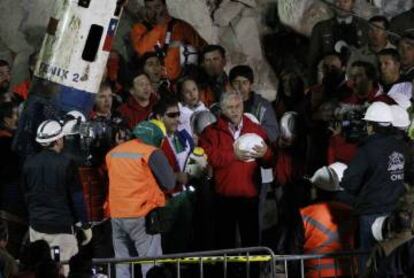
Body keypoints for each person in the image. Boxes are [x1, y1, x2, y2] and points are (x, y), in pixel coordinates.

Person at [199, 91, 272, 250]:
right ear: (222, 110)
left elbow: (271, 160)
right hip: (223, 197)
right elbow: (206, 156)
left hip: (249, 196)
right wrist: (233, 155)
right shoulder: (211, 132)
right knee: (224, 243)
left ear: (243, 106)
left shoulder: (256, 129)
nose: (235, 110)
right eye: (230, 107)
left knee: (251, 243)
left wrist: (266, 153)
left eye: (237, 106)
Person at [340, 102, 407, 272]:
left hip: (371, 213)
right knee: (392, 258)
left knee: (368, 261)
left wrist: (360, 192)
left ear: (370, 126)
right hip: (396, 213)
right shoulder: (401, 147)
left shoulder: (367, 149)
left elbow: (349, 181)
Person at [106, 120, 176, 278]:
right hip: (142, 216)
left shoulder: (114, 152)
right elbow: (169, 182)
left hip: (116, 215)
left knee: (122, 265)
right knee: (150, 265)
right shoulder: (150, 151)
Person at [22, 120, 92, 276]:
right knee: (64, 270)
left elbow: (26, 195)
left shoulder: (28, 163)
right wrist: (85, 225)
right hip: (62, 229)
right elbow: (77, 198)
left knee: (40, 270)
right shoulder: (67, 163)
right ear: (58, 139)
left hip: (36, 227)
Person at [130, 0, 207, 81]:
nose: (153, 12)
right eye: (149, 8)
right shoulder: (139, 28)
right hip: (154, 83)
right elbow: (141, 49)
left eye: (157, 7)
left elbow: (204, 49)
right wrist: (160, 26)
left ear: (165, 6)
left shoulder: (181, 26)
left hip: (182, 81)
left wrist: (185, 47)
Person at [308, 0, 369, 84]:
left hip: (359, 83)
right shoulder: (321, 28)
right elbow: (312, 60)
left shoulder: (365, 27)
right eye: (337, 1)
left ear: (353, 3)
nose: (341, 5)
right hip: (328, 83)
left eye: (345, 1)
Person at [0, 101, 27, 258]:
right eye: (16, 115)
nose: (19, 119)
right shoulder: (7, 144)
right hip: (10, 205)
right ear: (5, 120)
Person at [229, 65, 279, 142]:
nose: (240, 87)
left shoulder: (263, 106)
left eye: (245, 82)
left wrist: (250, 132)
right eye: (236, 83)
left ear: (251, 84)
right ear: (231, 85)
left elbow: (273, 132)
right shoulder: (223, 106)